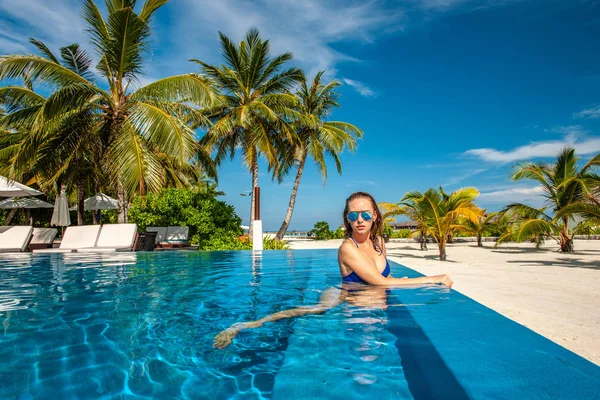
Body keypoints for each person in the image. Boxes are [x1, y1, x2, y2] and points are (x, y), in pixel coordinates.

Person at [213, 191, 453, 349]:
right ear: (347, 219)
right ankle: (242, 326)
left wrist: (406, 280)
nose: (360, 219)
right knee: (315, 310)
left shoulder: (380, 242)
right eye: (353, 215)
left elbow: (385, 277)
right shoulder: (347, 248)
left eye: (365, 214)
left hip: (370, 297)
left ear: (375, 216)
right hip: (344, 293)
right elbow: (380, 283)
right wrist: (433, 279)